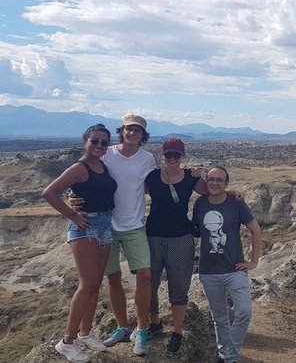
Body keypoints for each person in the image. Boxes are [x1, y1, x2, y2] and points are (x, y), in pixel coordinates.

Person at [71, 115, 157, 356]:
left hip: (134, 225)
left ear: (143, 135)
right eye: (129, 129)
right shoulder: (106, 153)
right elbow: (85, 174)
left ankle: (140, 330)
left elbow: (159, 183)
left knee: (145, 275)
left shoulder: (147, 159)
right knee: (113, 278)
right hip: (106, 225)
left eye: (137, 130)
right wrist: (73, 196)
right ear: (122, 131)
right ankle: (121, 326)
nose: (132, 133)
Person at [42, 124, 117, 363]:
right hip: (86, 226)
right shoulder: (79, 168)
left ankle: (85, 333)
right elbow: (49, 192)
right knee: (87, 284)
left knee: (96, 284)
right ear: (85, 141)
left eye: (104, 142)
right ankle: (67, 341)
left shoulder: (102, 165)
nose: (98, 146)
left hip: (104, 225)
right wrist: (73, 214)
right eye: (94, 141)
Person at [144, 137, 207, 356]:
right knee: (148, 284)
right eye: (168, 154)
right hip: (152, 236)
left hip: (181, 237)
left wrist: (236, 195)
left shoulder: (191, 177)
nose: (172, 158)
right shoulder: (151, 177)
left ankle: (177, 332)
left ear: (183, 156)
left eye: (176, 155)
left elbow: (212, 193)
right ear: (162, 155)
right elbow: (126, 193)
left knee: (179, 288)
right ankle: (154, 323)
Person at [192, 166, 261, 363]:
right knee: (220, 318)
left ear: (226, 183)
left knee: (244, 311)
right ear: (206, 181)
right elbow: (195, 232)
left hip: (235, 269)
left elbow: (256, 231)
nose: (214, 182)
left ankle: (231, 353)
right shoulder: (200, 204)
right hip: (208, 271)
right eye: (211, 179)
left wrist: (253, 261)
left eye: (219, 180)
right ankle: (226, 357)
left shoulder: (236, 203)